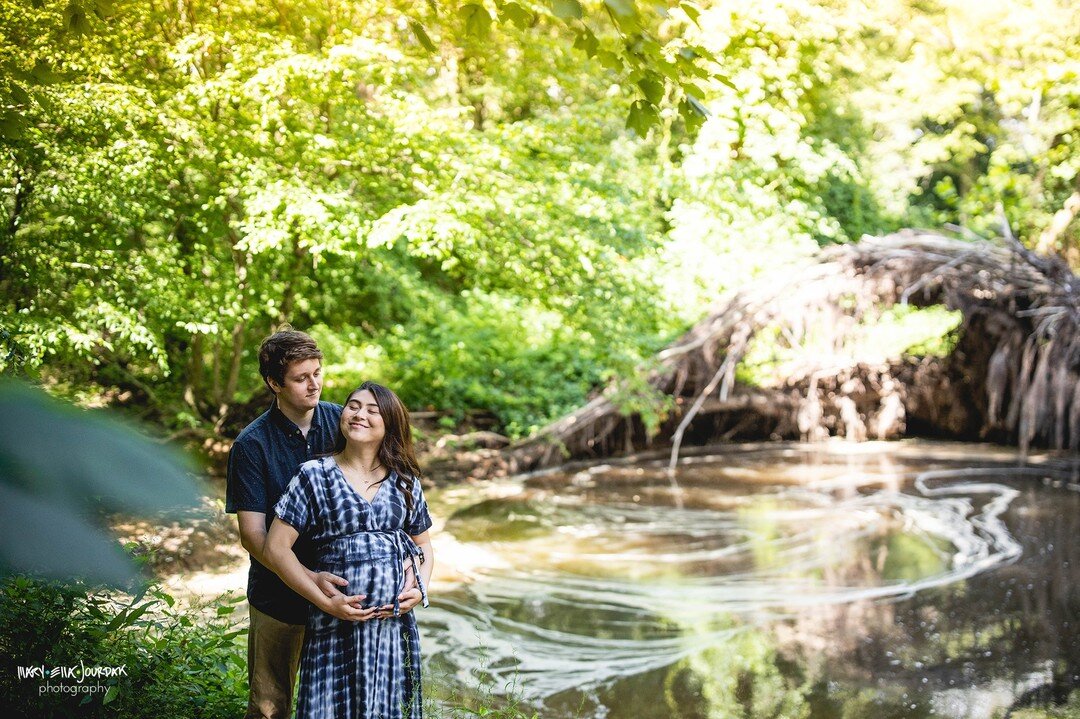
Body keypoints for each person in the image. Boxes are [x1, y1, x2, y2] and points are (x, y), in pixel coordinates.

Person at [263, 381, 434, 719]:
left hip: (391, 626)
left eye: (372, 410)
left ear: (390, 423)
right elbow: (276, 549)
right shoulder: (314, 476)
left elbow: (424, 544)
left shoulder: (405, 480)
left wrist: (420, 586)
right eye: (353, 405)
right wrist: (325, 601)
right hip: (334, 623)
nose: (359, 414)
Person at [226, 328, 351, 719]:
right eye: (301, 378)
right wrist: (307, 578)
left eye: (317, 372)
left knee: (335, 704)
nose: (314, 384)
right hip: (277, 600)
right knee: (270, 707)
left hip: (343, 592)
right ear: (273, 383)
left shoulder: (343, 423)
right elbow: (252, 536)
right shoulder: (252, 445)